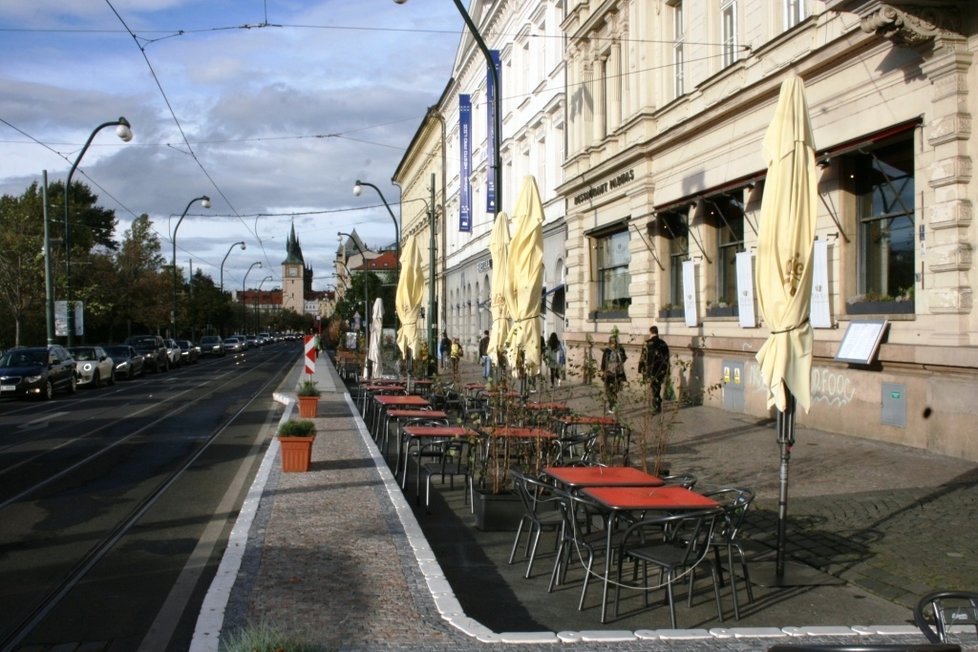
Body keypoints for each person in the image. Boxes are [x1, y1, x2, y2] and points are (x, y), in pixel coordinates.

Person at [638, 325, 670, 413]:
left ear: (650, 332)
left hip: (651, 370)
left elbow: (643, 357)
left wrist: (640, 368)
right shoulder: (663, 343)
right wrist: (667, 369)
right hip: (661, 369)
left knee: (654, 387)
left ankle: (656, 404)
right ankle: (657, 402)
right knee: (657, 386)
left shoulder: (647, 343)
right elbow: (667, 357)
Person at [600, 333, 627, 412]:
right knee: (614, 390)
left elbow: (604, 362)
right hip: (618, 373)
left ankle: (613, 406)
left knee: (609, 390)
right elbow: (624, 358)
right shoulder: (620, 349)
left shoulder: (608, 350)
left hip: (610, 373)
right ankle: (614, 405)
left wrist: (603, 370)